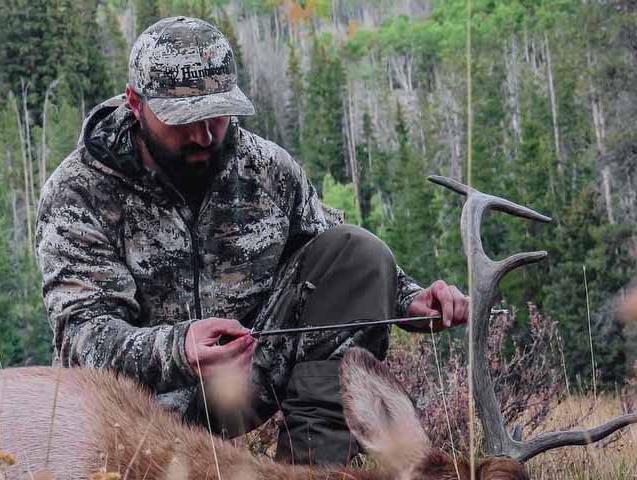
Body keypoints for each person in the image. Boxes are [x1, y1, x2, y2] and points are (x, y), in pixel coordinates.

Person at [35, 16, 468, 466]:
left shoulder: (264, 169)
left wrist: (411, 301)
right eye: (183, 120)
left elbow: (332, 258)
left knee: (360, 253)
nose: (203, 136)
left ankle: (313, 470)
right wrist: (180, 349)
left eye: (217, 115)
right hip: (130, 412)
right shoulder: (78, 193)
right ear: (135, 104)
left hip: (241, 382)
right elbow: (83, 339)